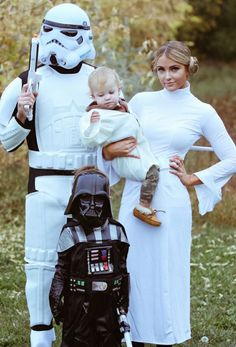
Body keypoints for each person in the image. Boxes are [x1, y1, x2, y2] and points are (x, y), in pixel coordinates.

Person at [99, 41, 236, 346]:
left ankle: (164, 336)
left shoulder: (201, 110)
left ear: (189, 68)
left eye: (174, 68)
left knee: (165, 268)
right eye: (160, 69)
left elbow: (232, 157)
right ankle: (130, 335)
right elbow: (120, 139)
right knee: (131, 266)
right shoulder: (142, 101)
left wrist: (193, 178)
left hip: (171, 198)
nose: (167, 76)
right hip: (136, 192)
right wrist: (110, 154)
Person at [0, 3, 97, 346]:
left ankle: (84, 330)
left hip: (89, 184)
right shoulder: (25, 82)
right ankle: (40, 333)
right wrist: (23, 115)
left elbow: (119, 135)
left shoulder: (98, 80)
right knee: (39, 264)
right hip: (44, 183)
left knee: (90, 259)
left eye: (72, 34)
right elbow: (7, 141)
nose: (62, 42)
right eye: (56, 32)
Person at [49, 166, 130, 347]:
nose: (92, 205)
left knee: (110, 340)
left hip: (109, 303)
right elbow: (61, 269)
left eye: (98, 199)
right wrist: (56, 299)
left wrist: (124, 301)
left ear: (106, 200)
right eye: (85, 198)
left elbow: (123, 270)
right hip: (78, 304)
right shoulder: (70, 233)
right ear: (76, 198)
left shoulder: (117, 231)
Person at [79, 66, 161, 227]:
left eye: (111, 92)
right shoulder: (97, 115)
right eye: (101, 95)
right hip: (124, 157)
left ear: (119, 89)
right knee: (152, 172)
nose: (108, 98)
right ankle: (143, 207)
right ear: (93, 96)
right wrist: (94, 125)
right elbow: (89, 139)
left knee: (153, 169)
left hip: (136, 151)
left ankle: (143, 205)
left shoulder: (124, 107)